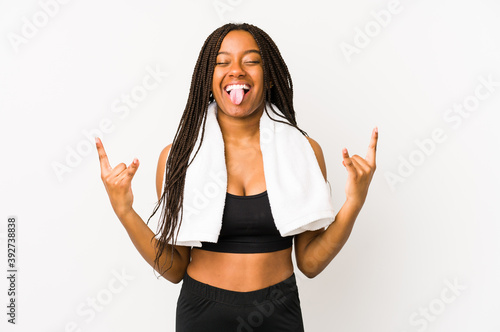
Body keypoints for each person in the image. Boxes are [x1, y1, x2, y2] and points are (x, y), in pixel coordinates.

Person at [95, 23, 378, 331]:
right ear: (208, 78)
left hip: (278, 311)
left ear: (268, 77)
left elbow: (309, 263)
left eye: (251, 61)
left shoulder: (304, 151)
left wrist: (354, 202)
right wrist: (123, 209)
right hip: (202, 313)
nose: (236, 70)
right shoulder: (177, 158)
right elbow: (174, 267)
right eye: (222, 62)